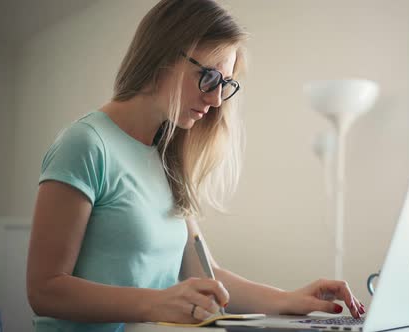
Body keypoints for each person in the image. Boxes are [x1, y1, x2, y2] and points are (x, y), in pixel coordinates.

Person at [26, 0, 364, 331]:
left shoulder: (164, 155)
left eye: (225, 84)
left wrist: (289, 299)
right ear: (163, 56)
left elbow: (204, 273)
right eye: (210, 77)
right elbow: (45, 290)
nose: (216, 99)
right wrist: (157, 303)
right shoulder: (86, 145)